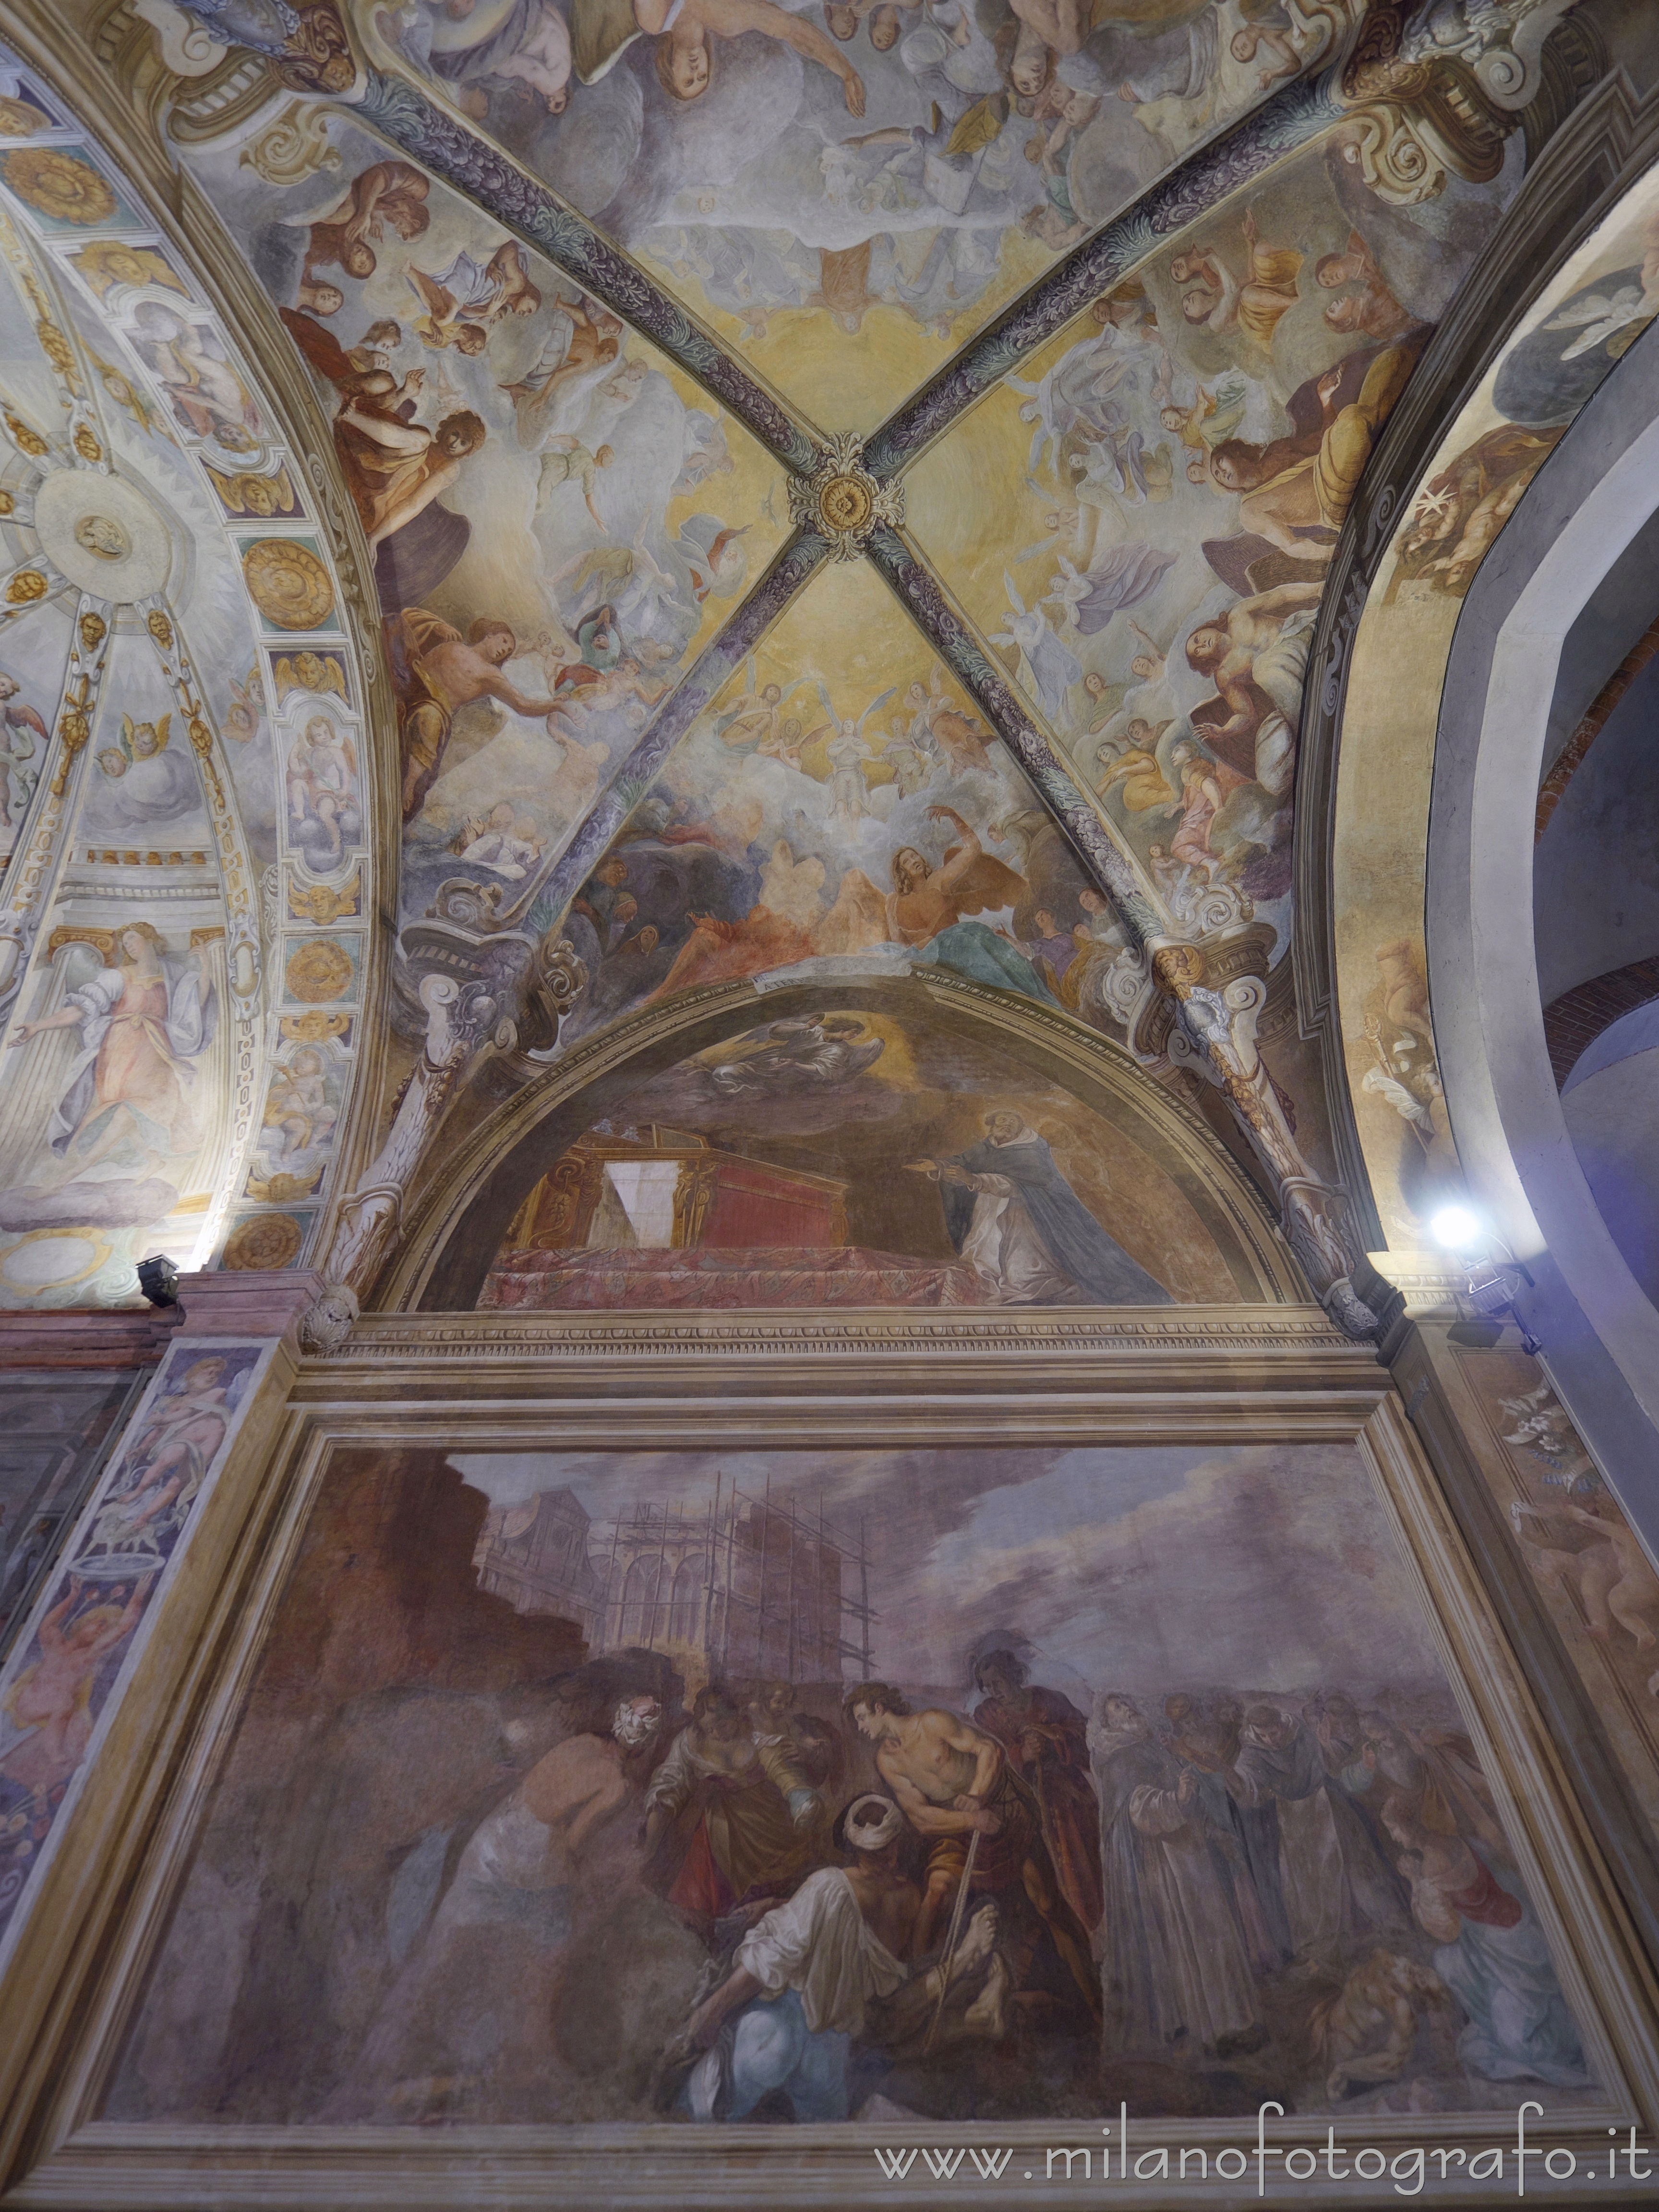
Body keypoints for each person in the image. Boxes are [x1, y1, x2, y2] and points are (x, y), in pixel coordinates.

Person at [327, 1694, 667, 2120]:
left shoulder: (580, 1742)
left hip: (495, 1837)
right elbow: (574, 1842)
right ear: (648, 1745)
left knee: (436, 1959)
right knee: (551, 1953)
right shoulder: (616, 1785)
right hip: (531, 1860)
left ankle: (375, 2074)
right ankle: (527, 2066)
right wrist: (591, 1882)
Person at [675, 1793, 1005, 2120]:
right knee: (816, 2131)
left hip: (794, 2031)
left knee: (714, 2114)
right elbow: (905, 1968)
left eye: (886, 1849)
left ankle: (963, 1962)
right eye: (884, 1852)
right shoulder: (903, 1897)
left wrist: (713, 2008)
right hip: (828, 2042)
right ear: (877, 1848)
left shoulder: (829, 1887)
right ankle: (963, 1961)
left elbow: (775, 1955)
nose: (890, 1860)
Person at [843, 1681, 1099, 2020]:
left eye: (862, 1717)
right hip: (960, 1824)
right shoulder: (887, 1760)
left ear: (879, 1708)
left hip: (1000, 1805)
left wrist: (978, 1796)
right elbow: (921, 1818)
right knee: (936, 1893)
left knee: (1047, 1903)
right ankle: (919, 1996)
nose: (861, 1728)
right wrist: (970, 1819)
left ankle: (1095, 2004)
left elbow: (990, 1751)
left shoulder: (932, 1722)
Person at [1094, 1693, 1264, 2056]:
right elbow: (1138, 1811)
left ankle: (1236, 2023)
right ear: (1110, 1727)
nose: (1129, 1709)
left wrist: (1208, 1824)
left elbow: (1189, 1791)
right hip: (1167, 1863)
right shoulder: (1122, 1761)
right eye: (1118, 1711)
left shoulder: (1152, 1747)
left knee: (1217, 1936)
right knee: (1196, 1942)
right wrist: (1178, 1800)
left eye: (1129, 1704)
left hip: (1192, 1852)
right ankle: (1213, 2032)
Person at [910, 1109, 1172, 1305]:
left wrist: (974, 1180)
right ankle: (1004, 1291)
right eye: (1001, 1122)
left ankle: (1031, 1293)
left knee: (1023, 1264)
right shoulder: (986, 1147)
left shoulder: (1032, 1151)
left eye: (1010, 1123)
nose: (1004, 1126)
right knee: (988, 1253)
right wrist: (938, 1166)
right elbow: (963, 1161)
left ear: (1019, 1128)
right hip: (991, 1212)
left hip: (1027, 1216)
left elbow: (1023, 1185)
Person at [10, 923, 215, 1167]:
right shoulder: (119, 976)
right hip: (119, 1051)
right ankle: (136, 1160)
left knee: (141, 1107)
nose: (128, 945)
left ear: (150, 939)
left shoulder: (174, 976)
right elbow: (82, 1008)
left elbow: (193, 1009)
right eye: (125, 942)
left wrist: (207, 970)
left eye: (132, 939)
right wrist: (39, 1026)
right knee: (122, 1106)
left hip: (156, 1052)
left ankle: (147, 1159)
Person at [645, 1683, 823, 1925]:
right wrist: (661, 1808)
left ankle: (800, 1799)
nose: (718, 1733)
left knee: (787, 1864)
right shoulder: (690, 1741)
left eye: (724, 1724)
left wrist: (799, 1779)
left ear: (735, 1717)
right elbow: (671, 1777)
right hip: (723, 1819)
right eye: (710, 1728)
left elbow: (777, 1753)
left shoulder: (753, 1728)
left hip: (765, 1811)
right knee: (707, 1863)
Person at [970, 1646, 1102, 1933]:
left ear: (1014, 1675)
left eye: (998, 1682)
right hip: (1024, 1804)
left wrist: (1054, 1740)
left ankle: (1098, 1928)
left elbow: (1086, 1735)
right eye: (987, 1686)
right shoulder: (986, 1716)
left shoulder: (1049, 1700)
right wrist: (1022, 1755)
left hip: (1070, 1799)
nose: (993, 1691)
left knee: (1087, 1867)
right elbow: (987, 1758)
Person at [389, 609, 562, 818]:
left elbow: (522, 705)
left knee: (430, 720)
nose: (504, 650)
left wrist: (555, 706)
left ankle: (408, 785)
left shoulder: (491, 675)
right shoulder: (454, 641)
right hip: (413, 681)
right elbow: (413, 620)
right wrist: (438, 626)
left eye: (507, 651)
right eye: (503, 641)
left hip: (434, 705)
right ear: (490, 634)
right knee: (394, 626)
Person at [0, 1575, 153, 1800]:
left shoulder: (88, 1656)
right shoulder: (55, 1643)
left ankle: (54, 1751)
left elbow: (123, 1628)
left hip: (51, 1710)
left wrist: (138, 1596)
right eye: (100, 1622)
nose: (103, 1628)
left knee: (65, 1702)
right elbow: (47, 1625)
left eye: (105, 1627)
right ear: (84, 1622)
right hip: (27, 1702)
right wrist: (72, 1597)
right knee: (61, 1701)